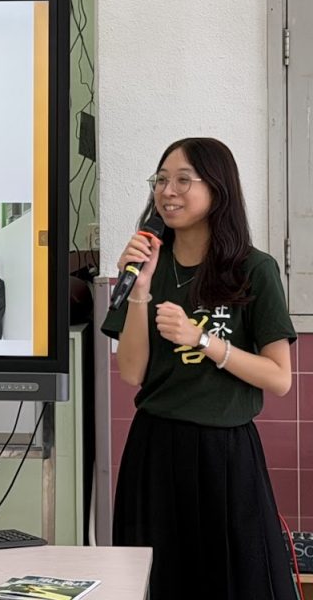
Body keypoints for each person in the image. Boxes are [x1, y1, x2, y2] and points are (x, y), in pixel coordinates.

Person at [102, 137, 295, 600]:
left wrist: (203, 341)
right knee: (157, 582)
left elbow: (279, 378)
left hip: (226, 454)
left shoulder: (254, 268)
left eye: (183, 180)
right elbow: (132, 373)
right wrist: (140, 291)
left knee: (237, 582)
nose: (167, 191)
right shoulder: (147, 266)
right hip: (154, 449)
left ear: (218, 189)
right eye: (160, 180)